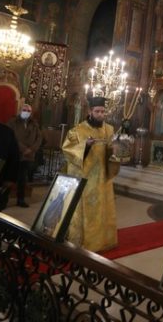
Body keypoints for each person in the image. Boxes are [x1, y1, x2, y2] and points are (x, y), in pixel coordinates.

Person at [61, 97, 120, 252]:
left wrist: (115, 150)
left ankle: (103, 241)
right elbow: (67, 150)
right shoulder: (78, 130)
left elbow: (112, 153)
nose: (101, 115)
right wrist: (85, 146)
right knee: (85, 211)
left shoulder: (109, 130)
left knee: (102, 210)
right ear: (90, 111)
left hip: (103, 177)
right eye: (97, 111)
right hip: (85, 178)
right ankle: (84, 242)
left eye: (103, 112)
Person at [7, 103, 42, 207]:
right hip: (15, 153)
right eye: (24, 110)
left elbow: (39, 138)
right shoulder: (12, 122)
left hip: (28, 155)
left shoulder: (34, 123)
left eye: (28, 111)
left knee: (22, 178)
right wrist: (23, 149)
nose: (26, 112)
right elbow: (11, 136)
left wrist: (32, 149)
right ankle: (3, 198)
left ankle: (20, 199)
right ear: (20, 111)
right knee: (9, 177)